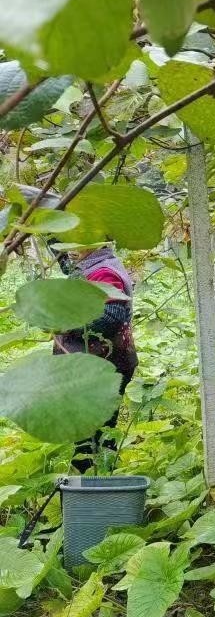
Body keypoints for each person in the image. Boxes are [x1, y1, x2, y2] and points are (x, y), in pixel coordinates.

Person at [20, 186, 138, 472]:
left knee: (91, 432)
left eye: (75, 240)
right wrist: (46, 213)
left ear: (95, 240)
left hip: (101, 368)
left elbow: (110, 316)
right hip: (98, 365)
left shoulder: (105, 272)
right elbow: (65, 261)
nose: (68, 247)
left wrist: (62, 322)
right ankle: (99, 476)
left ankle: (93, 482)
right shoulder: (89, 264)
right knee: (93, 429)